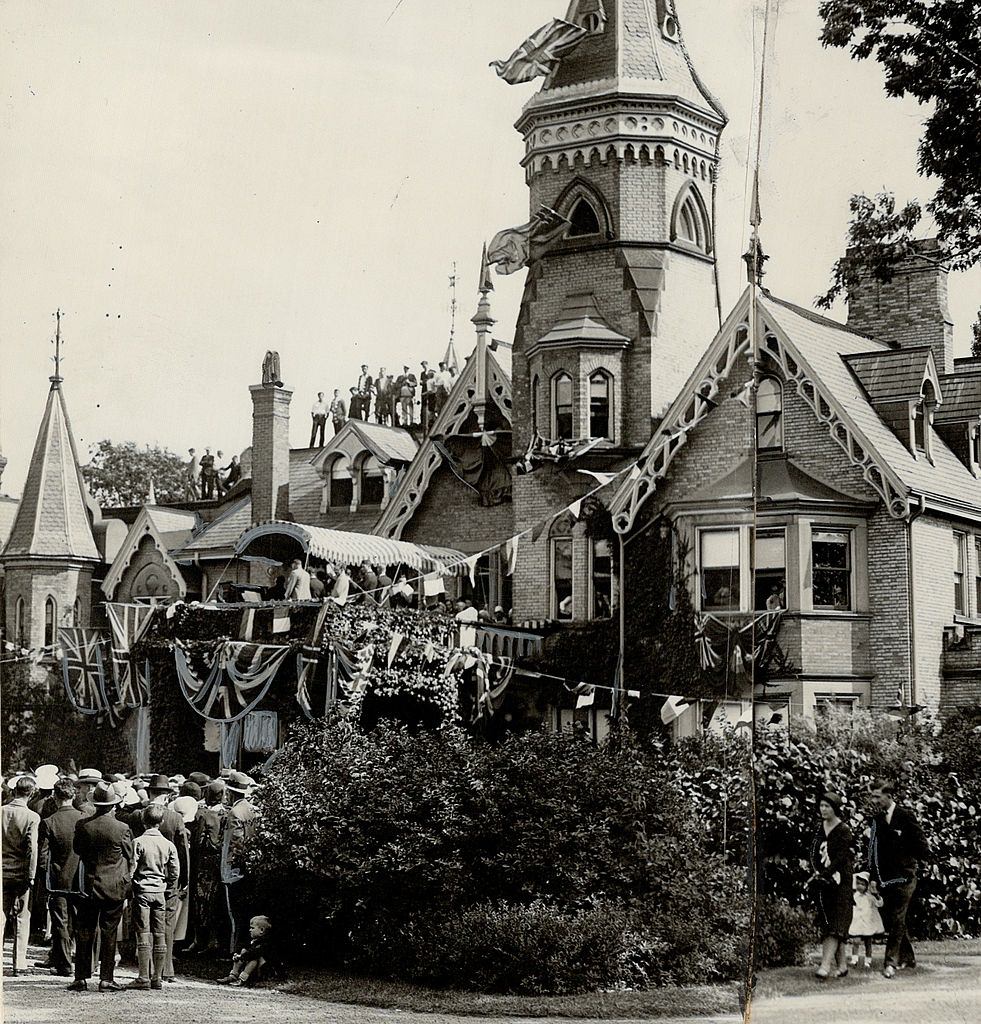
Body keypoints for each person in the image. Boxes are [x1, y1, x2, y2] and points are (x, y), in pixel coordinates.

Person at [70, 780, 134, 991]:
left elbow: (77, 849)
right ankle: (106, 977)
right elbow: (129, 854)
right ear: (114, 805)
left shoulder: (83, 825)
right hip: (113, 885)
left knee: (84, 930)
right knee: (109, 932)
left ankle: (80, 977)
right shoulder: (122, 828)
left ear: (95, 802)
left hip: (88, 884)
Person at [868, 779, 930, 978]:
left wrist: (912, 859)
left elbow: (921, 844)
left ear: (889, 796)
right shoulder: (877, 820)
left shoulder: (906, 816)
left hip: (905, 877)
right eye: (873, 796)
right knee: (890, 919)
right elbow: (873, 851)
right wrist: (873, 878)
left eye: (877, 796)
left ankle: (890, 963)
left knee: (897, 917)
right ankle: (908, 957)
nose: (874, 800)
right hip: (886, 878)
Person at [141, 774, 191, 983]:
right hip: (169, 877)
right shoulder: (175, 818)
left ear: (150, 792)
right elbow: (183, 852)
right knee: (166, 923)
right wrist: (184, 880)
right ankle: (166, 968)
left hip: (144, 877)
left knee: (145, 922)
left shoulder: (139, 815)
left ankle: (147, 966)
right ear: (167, 795)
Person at [128, 804, 180, 990]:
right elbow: (175, 871)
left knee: (143, 932)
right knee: (159, 933)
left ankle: (143, 976)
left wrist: (131, 885)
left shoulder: (138, 842)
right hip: (160, 891)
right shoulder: (168, 844)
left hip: (142, 891)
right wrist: (168, 887)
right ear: (162, 822)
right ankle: (157, 977)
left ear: (143, 822)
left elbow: (131, 868)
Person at [806, 790, 854, 979]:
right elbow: (812, 851)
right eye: (821, 806)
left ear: (835, 808)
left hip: (841, 881)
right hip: (824, 881)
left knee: (836, 922)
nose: (823, 809)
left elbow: (842, 857)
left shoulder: (843, 830)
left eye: (827, 806)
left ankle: (825, 966)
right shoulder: (820, 828)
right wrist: (817, 871)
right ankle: (842, 965)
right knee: (829, 922)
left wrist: (827, 872)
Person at [39, 778, 83, 976]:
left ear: (56, 797)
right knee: (79, 921)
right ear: (73, 796)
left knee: (60, 921)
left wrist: (43, 877)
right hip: (80, 878)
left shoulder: (49, 822)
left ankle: (64, 964)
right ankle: (71, 960)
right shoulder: (83, 820)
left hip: (57, 879)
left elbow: (43, 855)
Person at [2, 775, 40, 973]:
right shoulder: (32, 817)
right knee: (22, 918)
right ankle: (19, 963)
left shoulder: (1, 812)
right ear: (31, 794)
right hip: (21, 872)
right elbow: (32, 849)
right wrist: (31, 875)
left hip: (2, 871)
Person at [185, 781, 226, 957]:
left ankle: (199, 940)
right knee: (216, 901)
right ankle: (214, 940)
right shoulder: (227, 813)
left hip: (204, 863)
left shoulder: (204, 815)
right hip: (220, 861)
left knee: (201, 902)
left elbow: (197, 842)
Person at [221, 773, 257, 954]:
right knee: (248, 913)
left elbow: (235, 844)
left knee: (236, 915)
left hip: (236, 871)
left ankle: (235, 951)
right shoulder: (255, 810)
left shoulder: (234, 813)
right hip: (253, 867)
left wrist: (228, 870)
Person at [217, 915, 276, 987]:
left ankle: (242, 979)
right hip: (252, 968)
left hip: (262, 970)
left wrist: (241, 956)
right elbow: (244, 948)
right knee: (243, 951)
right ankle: (233, 976)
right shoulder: (253, 941)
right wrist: (237, 954)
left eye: (252, 928)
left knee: (254, 960)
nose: (250, 930)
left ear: (261, 930)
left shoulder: (265, 943)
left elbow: (254, 953)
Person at [848, 871, 884, 969]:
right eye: (858, 883)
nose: (860, 886)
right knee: (856, 941)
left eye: (863, 884)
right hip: (858, 923)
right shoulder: (855, 896)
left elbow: (879, 904)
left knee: (868, 943)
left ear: (867, 886)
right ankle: (854, 959)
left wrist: (876, 895)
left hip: (868, 923)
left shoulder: (870, 897)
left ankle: (868, 961)